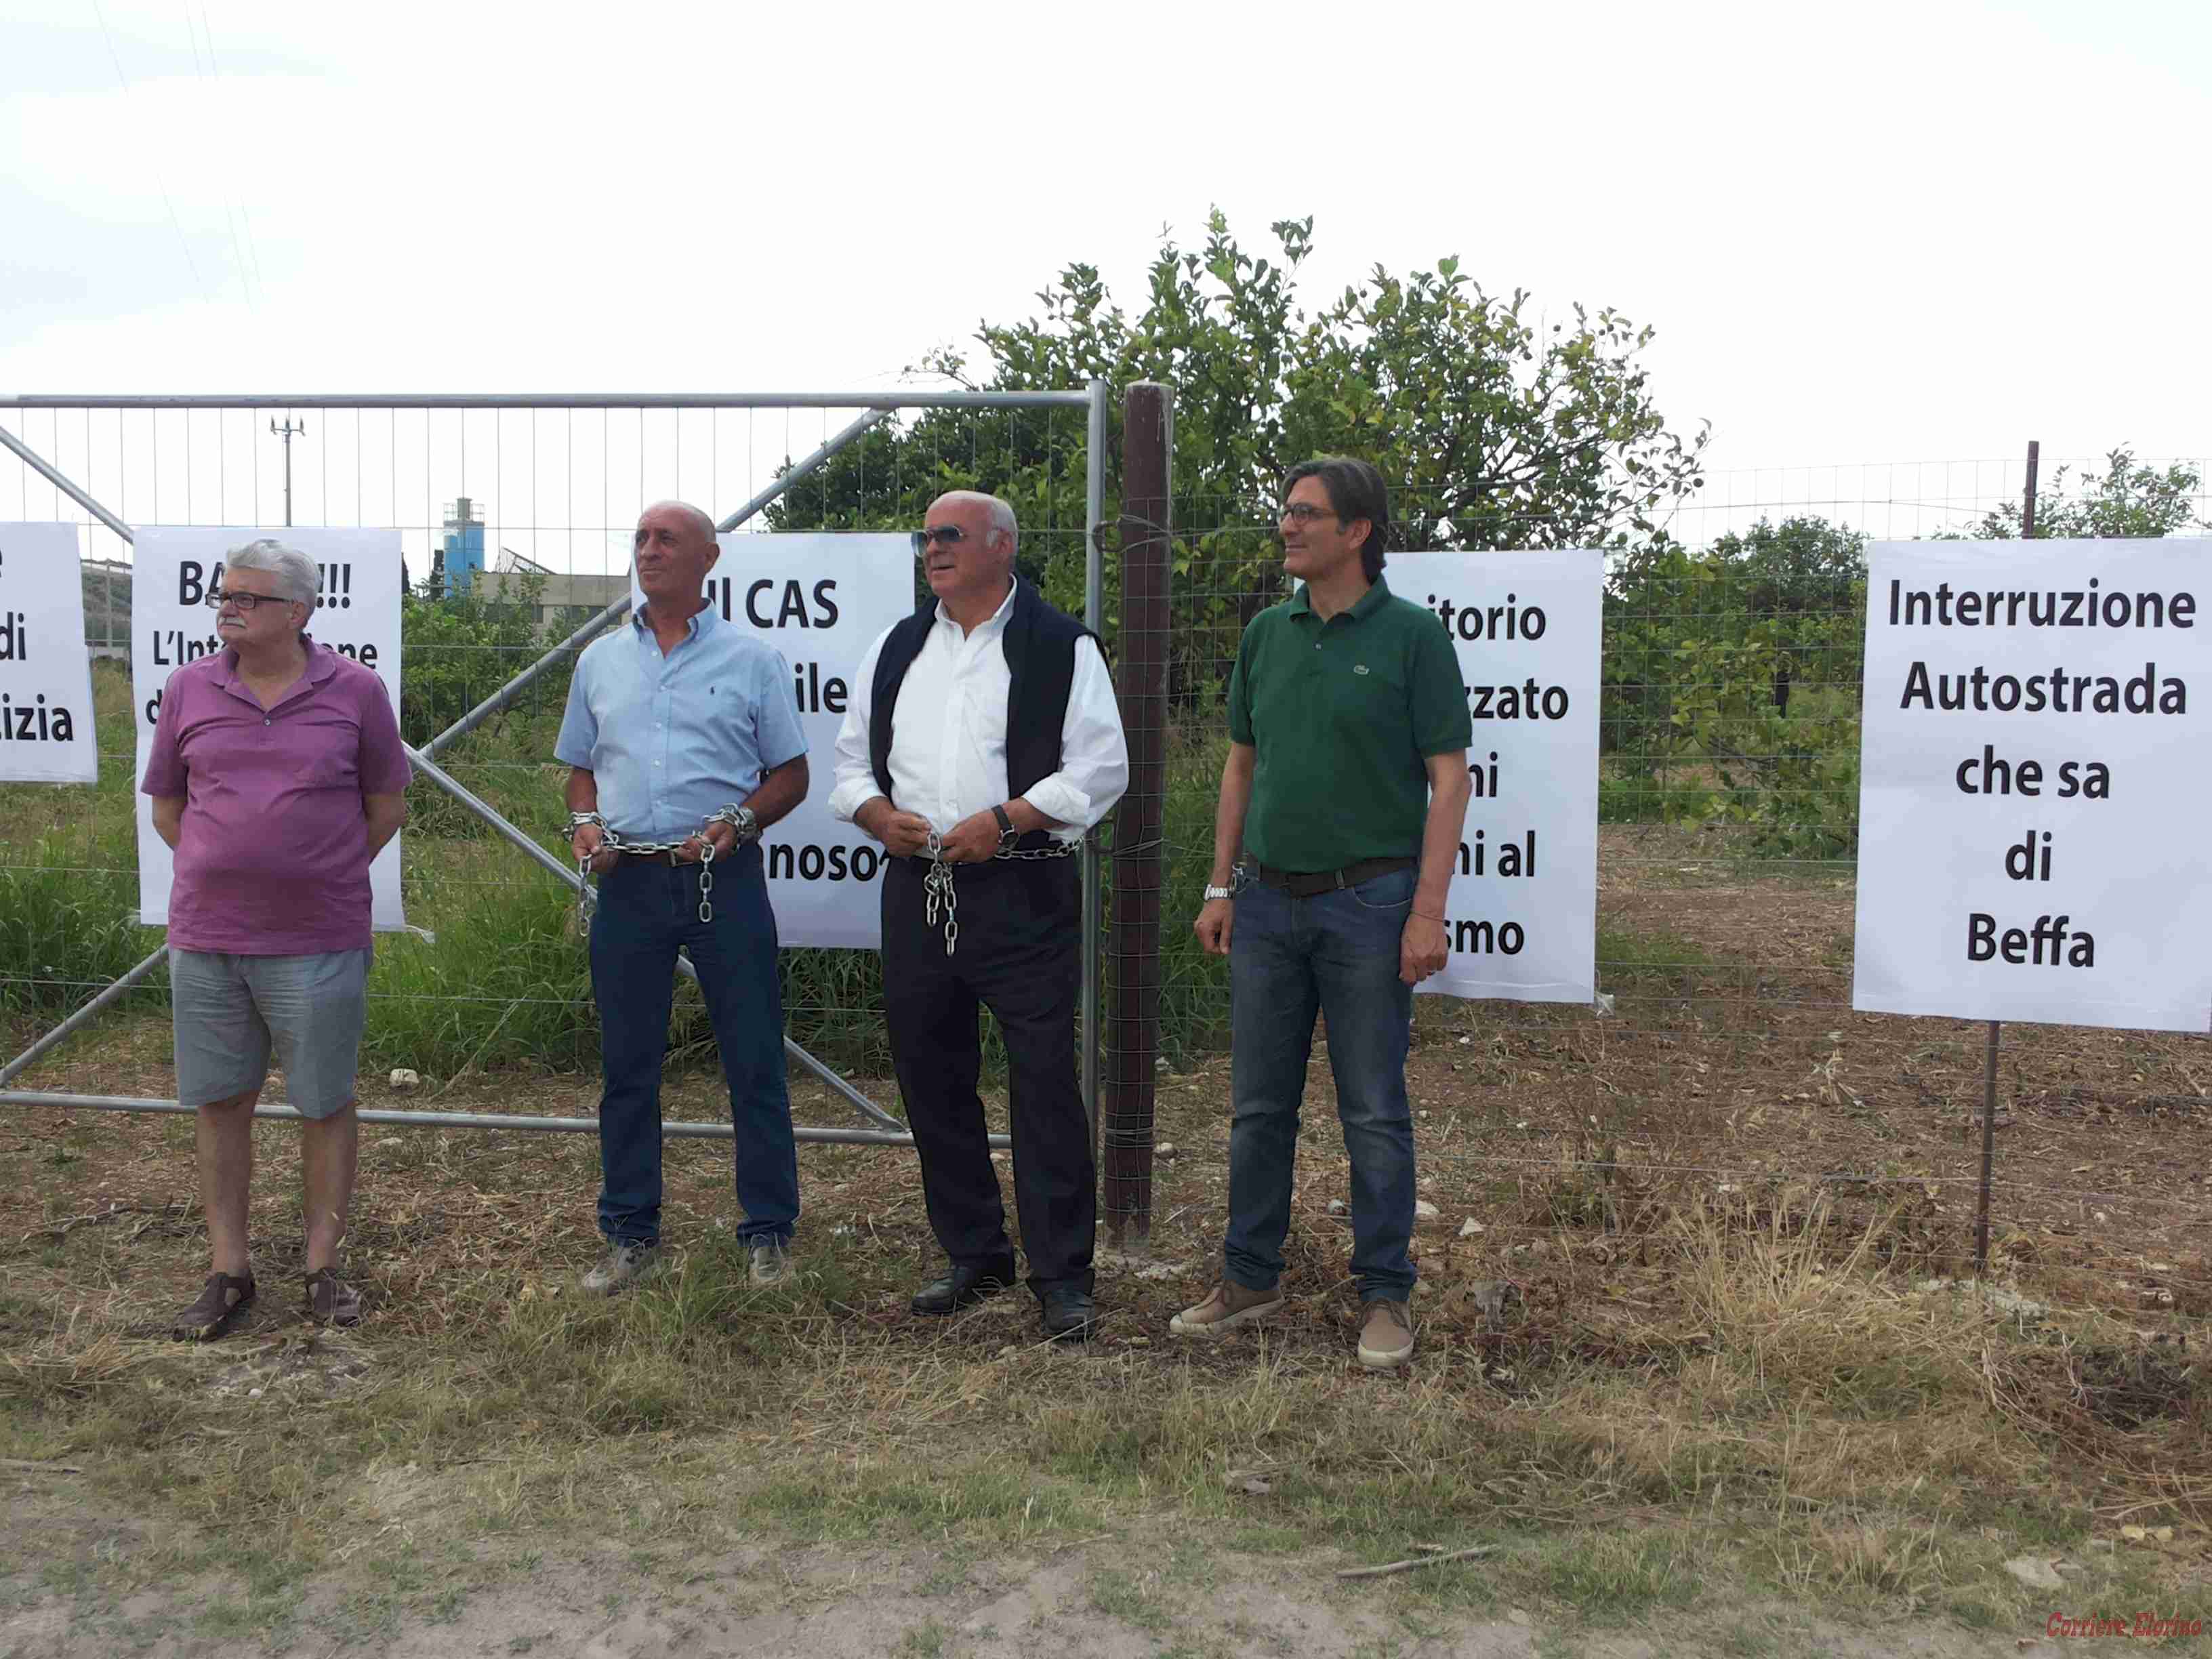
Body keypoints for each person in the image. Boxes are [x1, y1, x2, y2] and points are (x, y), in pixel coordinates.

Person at [1174, 457, 1473, 1369]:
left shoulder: (1415, 638)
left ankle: (1385, 1295)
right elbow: (1241, 766)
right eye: (1286, 512)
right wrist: (1221, 885)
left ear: (1358, 531)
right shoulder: (1268, 633)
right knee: (1258, 1107)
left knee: (1374, 1110)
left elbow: (1450, 778)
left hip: (1371, 907)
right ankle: (1249, 1277)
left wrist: (1427, 912)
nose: (1288, 527)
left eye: (1307, 514)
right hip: (1266, 904)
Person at [830, 491, 1128, 1340]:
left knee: (1042, 1084)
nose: (932, 548)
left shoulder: (1061, 646)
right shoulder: (896, 647)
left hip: (1023, 889)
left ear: (1002, 545)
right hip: (916, 889)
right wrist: (875, 815)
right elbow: (851, 765)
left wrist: (1008, 820)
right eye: (924, 535)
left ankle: (1062, 1274)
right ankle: (974, 1251)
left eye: (949, 535)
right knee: (931, 1076)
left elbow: (1102, 769)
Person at [143, 537, 411, 1338]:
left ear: (297, 612)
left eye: (248, 598)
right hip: (208, 937)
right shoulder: (189, 688)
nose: (229, 607)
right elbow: (167, 806)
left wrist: (317, 874)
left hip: (318, 937)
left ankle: (322, 1267)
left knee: (323, 1101)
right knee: (221, 1103)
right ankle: (229, 1271)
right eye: (225, 595)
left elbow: (387, 805)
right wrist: (224, 869)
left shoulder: (356, 691)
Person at [556, 501, 811, 1294]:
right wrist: (586, 822)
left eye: (668, 539)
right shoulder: (600, 661)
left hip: (720, 882)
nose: (649, 550)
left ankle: (767, 1232)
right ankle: (630, 1235)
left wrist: (739, 820)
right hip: (627, 885)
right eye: (640, 538)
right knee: (627, 1068)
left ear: (710, 559)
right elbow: (578, 768)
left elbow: (791, 776)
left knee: (755, 1062)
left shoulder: (752, 660)